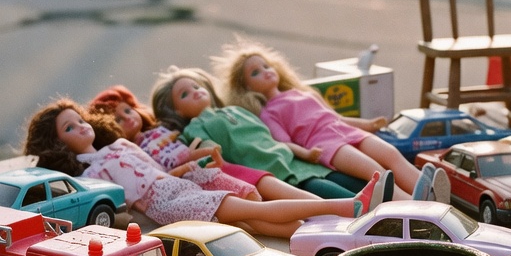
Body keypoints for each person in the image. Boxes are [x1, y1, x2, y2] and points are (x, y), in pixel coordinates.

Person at [24, 99, 388, 239]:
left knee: (252, 220)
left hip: (177, 186)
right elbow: (126, 203)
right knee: (252, 212)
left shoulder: (118, 144)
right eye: (69, 129)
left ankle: (329, 236)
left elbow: (157, 170)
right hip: (165, 204)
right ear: (58, 144)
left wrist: (190, 170)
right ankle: (341, 208)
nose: (81, 128)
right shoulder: (87, 174)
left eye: (79, 120)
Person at [215, 40, 424, 198]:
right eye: (255, 73)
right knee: (374, 170)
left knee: (391, 153)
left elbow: (336, 117)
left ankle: (424, 187)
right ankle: (412, 204)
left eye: (266, 66)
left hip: (342, 129)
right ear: (246, 87)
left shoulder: (304, 93)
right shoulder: (269, 113)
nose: (265, 72)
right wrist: (307, 153)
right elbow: (283, 142)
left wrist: (368, 125)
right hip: (325, 143)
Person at [150, 66, 364, 200]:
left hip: (293, 158)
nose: (196, 92)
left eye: (197, 87)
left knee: (341, 177)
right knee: (326, 190)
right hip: (271, 168)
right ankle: (363, 207)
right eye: (185, 94)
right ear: (176, 109)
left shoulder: (234, 109)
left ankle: (378, 196)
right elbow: (205, 150)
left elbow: (270, 135)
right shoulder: (195, 127)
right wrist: (209, 150)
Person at [87, 85, 321, 202]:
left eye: (128, 110)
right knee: (257, 194)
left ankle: (323, 206)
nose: (128, 117)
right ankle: (323, 208)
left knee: (262, 181)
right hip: (193, 177)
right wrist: (199, 153)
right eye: (118, 119)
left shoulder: (161, 129)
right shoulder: (135, 149)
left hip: (211, 165)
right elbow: (170, 161)